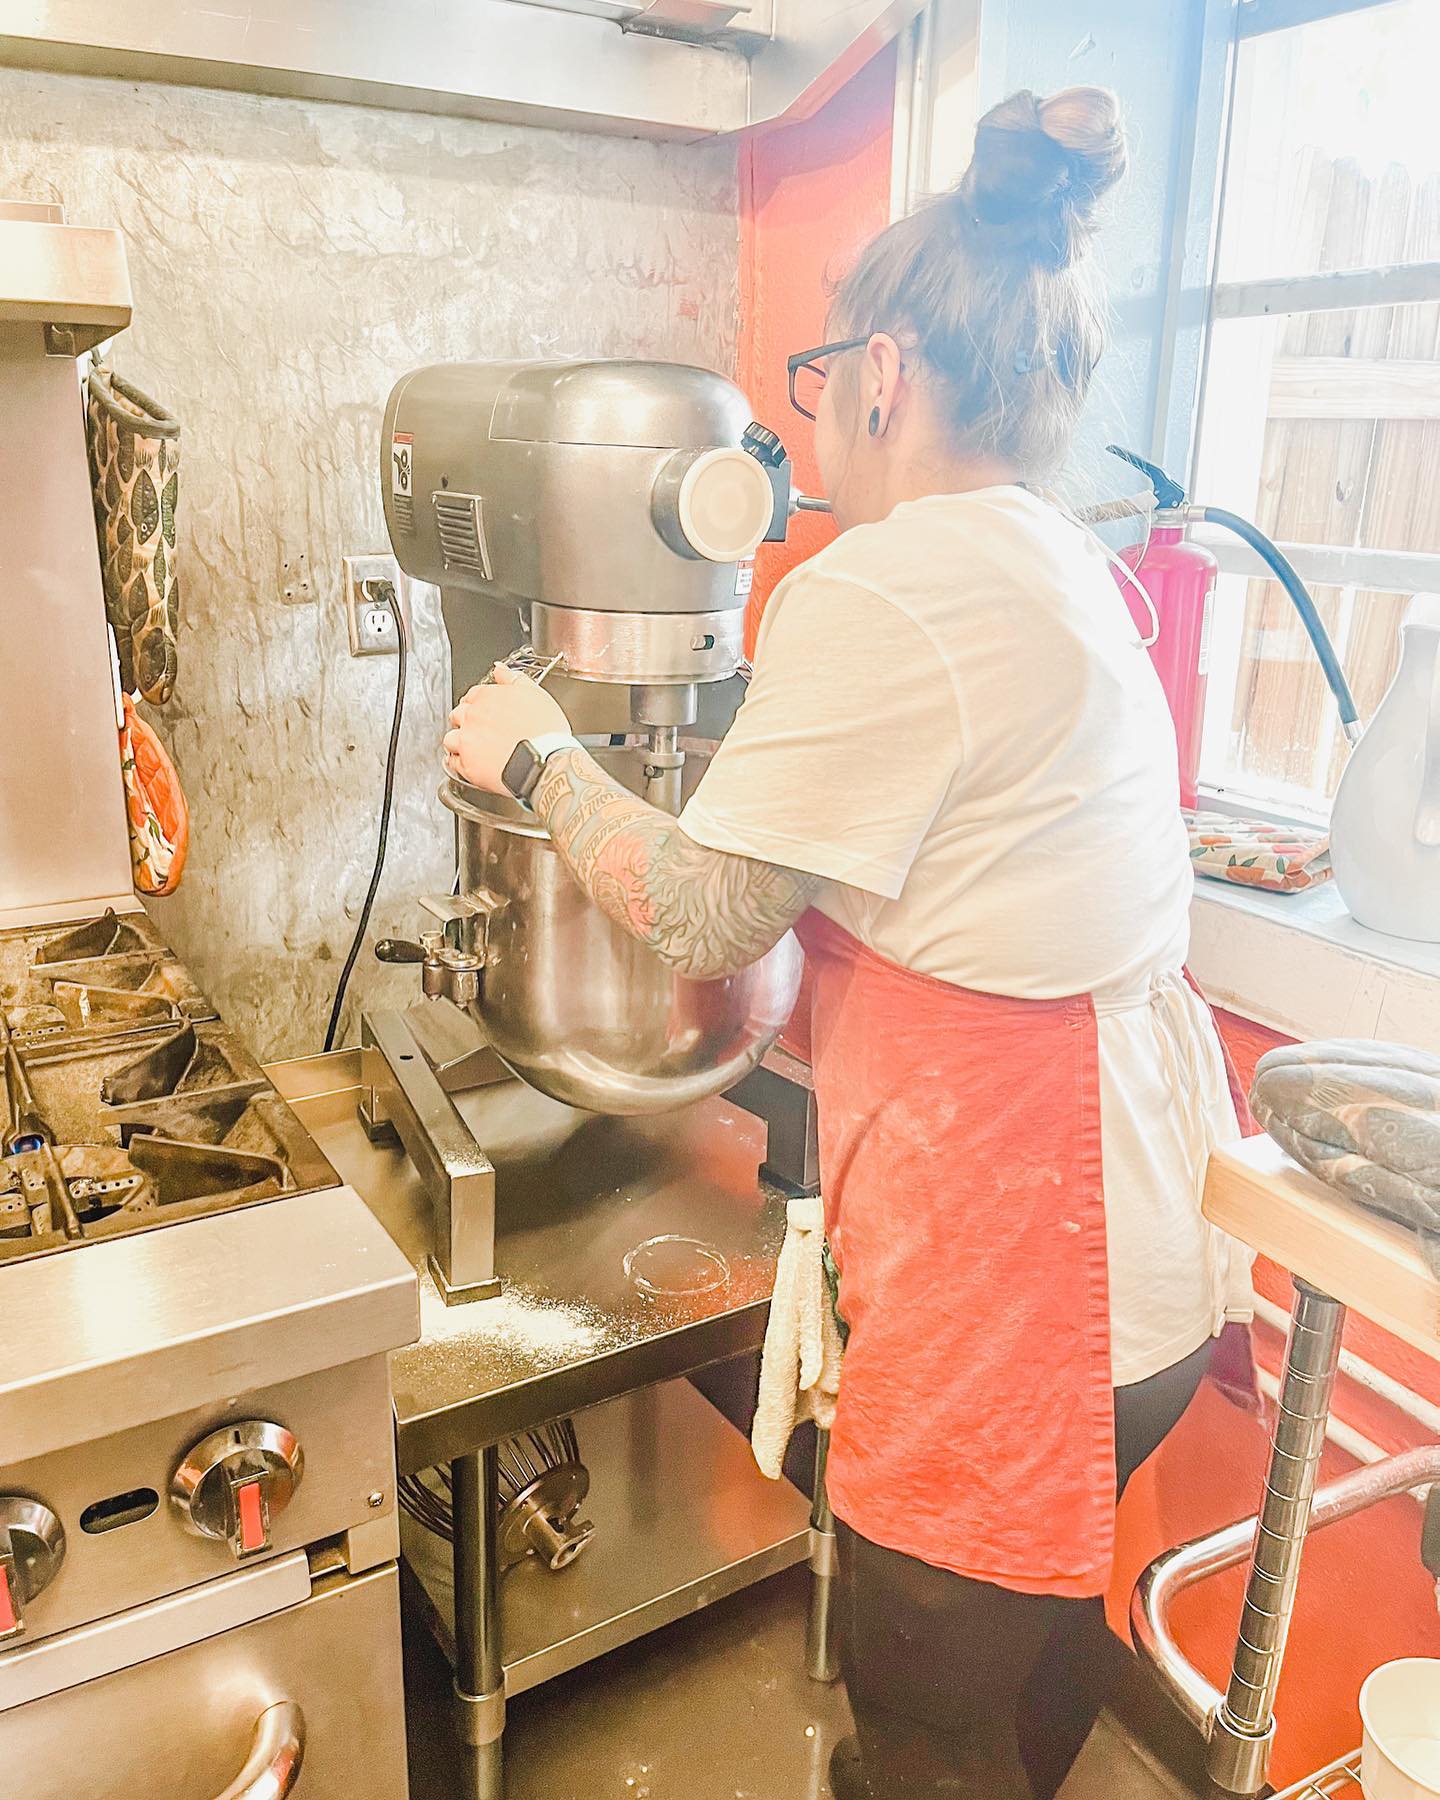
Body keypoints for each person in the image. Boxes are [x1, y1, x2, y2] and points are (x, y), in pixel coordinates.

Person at [443, 84, 1254, 1800]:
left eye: (815, 378)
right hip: (1153, 1252)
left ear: (882, 373)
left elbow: (705, 911)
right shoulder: (1062, 562)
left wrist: (535, 755)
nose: (807, 413)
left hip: (1023, 1275)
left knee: (924, 1720)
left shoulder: (883, 586)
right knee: (1034, 1659)